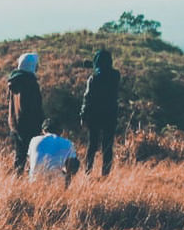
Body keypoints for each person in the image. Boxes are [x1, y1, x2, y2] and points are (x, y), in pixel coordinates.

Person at [80, 48, 120, 176]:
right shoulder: (116, 76)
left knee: (92, 146)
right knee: (107, 147)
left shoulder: (93, 78)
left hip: (95, 116)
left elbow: (87, 98)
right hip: (110, 115)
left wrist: (83, 115)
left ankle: (88, 172)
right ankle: (105, 173)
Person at [8, 52, 44, 176]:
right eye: (36, 64)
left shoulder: (14, 82)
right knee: (32, 157)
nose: (38, 66)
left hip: (15, 125)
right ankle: (28, 183)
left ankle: (17, 182)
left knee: (19, 157)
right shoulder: (30, 83)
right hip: (29, 127)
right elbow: (35, 108)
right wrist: (40, 124)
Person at [28, 119, 80, 186]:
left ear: (43, 130)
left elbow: (29, 162)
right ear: (60, 131)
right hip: (56, 184)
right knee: (75, 163)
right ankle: (65, 189)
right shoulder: (67, 143)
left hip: (34, 182)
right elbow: (72, 166)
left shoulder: (34, 140)